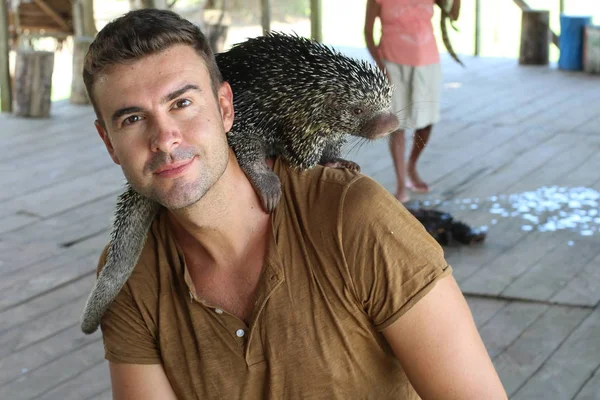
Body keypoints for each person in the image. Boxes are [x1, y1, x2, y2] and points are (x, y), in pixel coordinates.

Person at [84, 8, 506, 399]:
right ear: (108, 142)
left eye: (183, 103)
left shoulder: (355, 218)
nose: (165, 137)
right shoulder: (134, 276)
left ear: (226, 106)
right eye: (133, 118)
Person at [365, 0, 461, 203]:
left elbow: (453, 15)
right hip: (392, 63)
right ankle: (401, 183)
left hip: (427, 62)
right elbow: (367, 32)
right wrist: (381, 65)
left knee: (426, 122)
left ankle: (412, 165)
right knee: (397, 124)